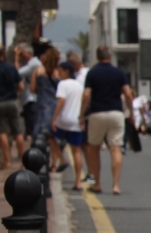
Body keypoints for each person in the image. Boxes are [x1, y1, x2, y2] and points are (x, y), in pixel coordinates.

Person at [79, 46, 131, 195]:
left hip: (97, 113)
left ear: (97, 56)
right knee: (115, 148)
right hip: (116, 113)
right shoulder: (119, 72)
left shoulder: (92, 73)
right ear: (109, 56)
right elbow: (127, 94)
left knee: (94, 148)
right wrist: (131, 112)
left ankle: (96, 184)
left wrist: (81, 115)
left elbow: (86, 95)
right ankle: (115, 185)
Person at [50, 61, 85, 189]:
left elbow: (61, 101)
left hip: (63, 120)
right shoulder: (80, 85)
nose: (58, 73)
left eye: (60, 71)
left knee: (49, 135)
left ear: (67, 71)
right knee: (76, 151)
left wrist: (54, 118)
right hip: (76, 121)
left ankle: (62, 159)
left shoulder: (62, 84)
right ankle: (78, 182)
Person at [16, 44, 39, 142]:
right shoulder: (29, 64)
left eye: (22, 54)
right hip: (28, 98)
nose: (21, 57)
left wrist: (15, 58)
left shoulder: (33, 64)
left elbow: (16, 73)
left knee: (31, 127)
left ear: (29, 53)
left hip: (31, 98)